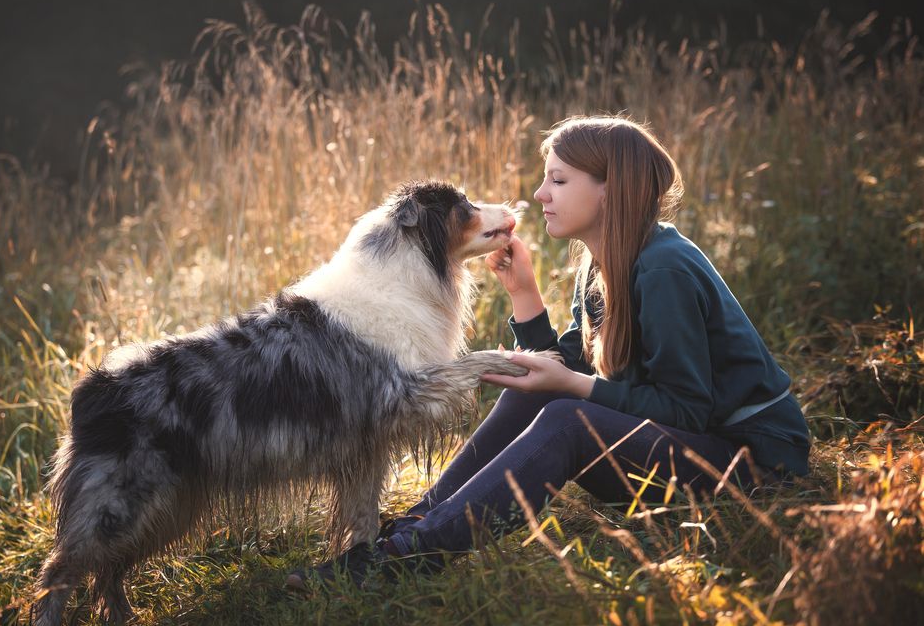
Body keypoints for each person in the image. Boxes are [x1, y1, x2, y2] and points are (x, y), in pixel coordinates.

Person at [286, 115, 811, 589]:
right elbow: (576, 367)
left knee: (568, 418)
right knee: (532, 397)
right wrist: (525, 296)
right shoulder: (600, 261)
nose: (539, 194)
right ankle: (414, 526)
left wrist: (573, 388)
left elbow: (687, 410)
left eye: (558, 180)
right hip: (688, 449)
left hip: (752, 462)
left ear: (611, 191)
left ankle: (402, 559)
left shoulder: (664, 269)